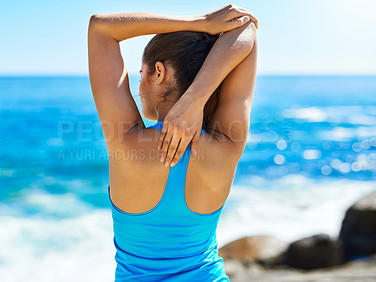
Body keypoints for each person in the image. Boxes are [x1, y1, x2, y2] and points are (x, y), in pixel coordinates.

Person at [88, 4, 258, 281]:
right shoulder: (227, 143)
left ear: (159, 72)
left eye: (141, 74)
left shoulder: (127, 142)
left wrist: (203, 23)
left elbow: (101, 28)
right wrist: (197, 98)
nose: (140, 83)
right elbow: (246, 26)